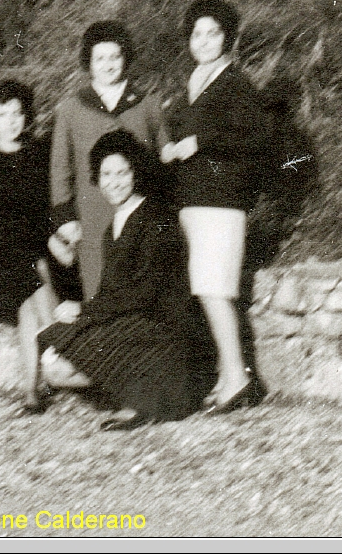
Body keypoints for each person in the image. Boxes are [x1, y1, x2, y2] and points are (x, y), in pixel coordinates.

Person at [37, 130, 216, 431]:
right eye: (106, 174)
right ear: (97, 177)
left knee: (62, 361)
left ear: (136, 172)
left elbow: (146, 293)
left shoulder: (156, 218)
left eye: (123, 172)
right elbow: (113, 292)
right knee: (53, 361)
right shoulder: (114, 226)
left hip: (162, 332)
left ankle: (146, 399)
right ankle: (132, 391)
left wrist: (83, 311)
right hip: (134, 321)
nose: (114, 182)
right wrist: (84, 313)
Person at [161, 0, 273, 415]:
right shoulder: (196, 81)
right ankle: (230, 377)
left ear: (227, 38)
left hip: (222, 203)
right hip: (194, 201)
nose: (204, 41)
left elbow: (259, 140)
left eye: (213, 33)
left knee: (214, 291)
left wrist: (201, 143)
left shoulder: (236, 83)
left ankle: (239, 380)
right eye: (196, 34)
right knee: (208, 290)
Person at [0, 79, 80, 415]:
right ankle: (69, 350)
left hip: (36, 243)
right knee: (36, 269)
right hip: (2, 247)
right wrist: (48, 240)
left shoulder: (40, 152)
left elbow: (48, 204)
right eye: (3, 114)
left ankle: (30, 391)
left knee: (28, 302)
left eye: (17, 113)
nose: (11, 120)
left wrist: (54, 237)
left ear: (27, 115)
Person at [50, 21, 169, 303]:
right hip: (92, 219)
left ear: (125, 58)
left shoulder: (148, 105)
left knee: (144, 293)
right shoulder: (71, 108)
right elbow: (60, 170)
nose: (108, 65)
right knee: (98, 293)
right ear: (88, 63)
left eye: (114, 56)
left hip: (143, 219)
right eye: (99, 58)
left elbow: (165, 162)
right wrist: (65, 219)